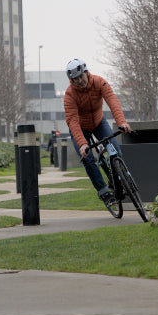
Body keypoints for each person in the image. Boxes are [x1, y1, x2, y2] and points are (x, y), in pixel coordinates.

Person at [62, 58, 131, 205]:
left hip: (99, 123)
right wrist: (82, 144)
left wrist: (122, 122)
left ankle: (116, 181)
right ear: (71, 80)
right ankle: (104, 192)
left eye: (81, 76)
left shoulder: (99, 82)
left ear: (87, 72)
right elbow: (72, 120)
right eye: (75, 79)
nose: (79, 81)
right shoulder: (70, 94)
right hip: (80, 128)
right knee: (88, 159)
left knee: (115, 150)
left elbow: (112, 100)